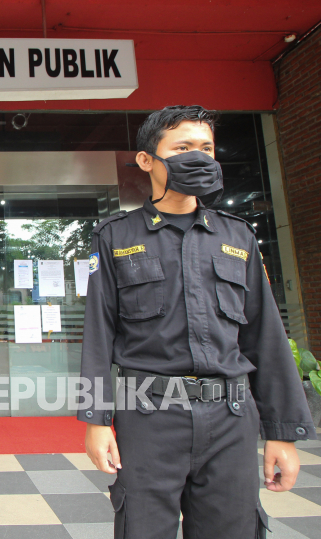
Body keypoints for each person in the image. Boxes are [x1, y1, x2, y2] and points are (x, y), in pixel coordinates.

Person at [79, 105, 316, 539]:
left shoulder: (238, 237)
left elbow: (266, 338)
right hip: (149, 415)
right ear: (147, 160)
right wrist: (96, 420)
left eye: (206, 148)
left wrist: (283, 434)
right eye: (183, 147)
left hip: (230, 417)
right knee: (143, 528)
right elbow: (97, 334)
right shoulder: (115, 237)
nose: (199, 158)